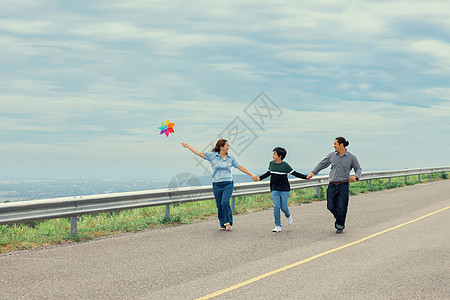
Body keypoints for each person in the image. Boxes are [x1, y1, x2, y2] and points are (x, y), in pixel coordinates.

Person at [181, 139, 258, 230]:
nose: (228, 147)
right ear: (221, 147)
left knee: (225, 202)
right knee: (219, 205)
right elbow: (198, 153)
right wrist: (188, 146)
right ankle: (222, 223)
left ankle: (228, 221)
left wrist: (251, 174)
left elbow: (240, 167)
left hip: (228, 183)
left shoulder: (230, 157)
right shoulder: (212, 156)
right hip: (216, 184)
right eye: (227, 145)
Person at [307, 137, 362, 234]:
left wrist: (356, 177)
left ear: (341, 145)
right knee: (330, 206)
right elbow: (322, 164)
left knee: (342, 207)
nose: (334, 146)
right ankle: (340, 218)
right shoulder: (331, 155)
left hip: (343, 185)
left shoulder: (352, 158)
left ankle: (340, 225)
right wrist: (313, 172)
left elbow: (358, 169)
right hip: (332, 185)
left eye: (335, 144)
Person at [258, 147, 308, 232]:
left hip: (284, 189)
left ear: (280, 156)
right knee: (276, 206)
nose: (272, 155)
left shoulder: (285, 165)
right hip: (274, 188)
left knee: (284, 207)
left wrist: (306, 177)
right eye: (273, 153)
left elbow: (295, 173)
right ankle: (278, 226)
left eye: (274, 154)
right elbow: (268, 173)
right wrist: (259, 178)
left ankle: (288, 216)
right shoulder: (271, 164)